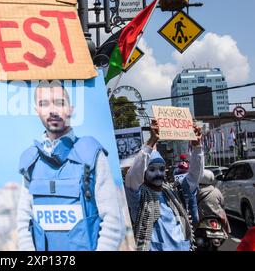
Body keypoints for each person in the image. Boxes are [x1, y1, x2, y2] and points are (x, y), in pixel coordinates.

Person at [17, 80, 126, 251]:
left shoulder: (91, 153)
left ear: (71, 108)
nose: (52, 110)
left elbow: (113, 223)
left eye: (60, 102)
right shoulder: (30, 161)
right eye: (44, 104)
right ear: (36, 110)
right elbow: (23, 223)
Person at [125, 120, 204, 251]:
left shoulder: (173, 191)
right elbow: (133, 175)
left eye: (161, 169)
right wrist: (151, 142)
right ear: (144, 172)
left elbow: (194, 176)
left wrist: (197, 147)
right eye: (152, 170)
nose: (158, 174)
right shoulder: (138, 196)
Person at [196, 169, 230, 235]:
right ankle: (226, 232)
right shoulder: (216, 190)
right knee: (223, 213)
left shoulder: (196, 191)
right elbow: (222, 203)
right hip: (218, 215)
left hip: (202, 217)